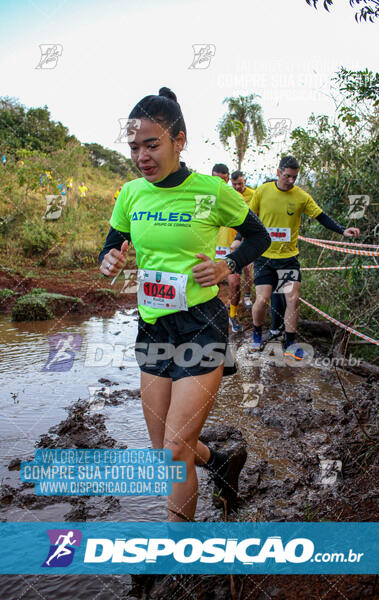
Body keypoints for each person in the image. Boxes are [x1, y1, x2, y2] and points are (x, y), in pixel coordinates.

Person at [99, 87, 270, 521]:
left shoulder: (211, 191)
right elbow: (114, 238)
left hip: (200, 324)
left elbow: (259, 236)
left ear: (179, 140)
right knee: (166, 451)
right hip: (154, 325)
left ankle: (179, 561)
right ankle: (219, 462)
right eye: (135, 147)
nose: (142, 156)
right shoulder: (131, 193)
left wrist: (226, 264)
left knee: (175, 450)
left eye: (152, 145)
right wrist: (110, 256)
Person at [248, 155, 360, 357]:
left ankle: (289, 343)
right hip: (264, 257)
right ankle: (256, 333)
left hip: (288, 258)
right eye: (287, 176)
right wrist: (240, 239)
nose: (291, 181)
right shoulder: (262, 191)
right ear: (278, 172)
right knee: (263, 300)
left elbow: (321, 217)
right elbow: (249, 218)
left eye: (295, 177)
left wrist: (343, 231)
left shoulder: (301, 197)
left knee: (292, 298)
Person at [211, 164, 245, 333]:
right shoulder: (205, 197)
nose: (220, 183)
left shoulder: (236, 197)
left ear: (227, 179)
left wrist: (239, 240)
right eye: (216, 179)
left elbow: (245, 223)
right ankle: (211, 315)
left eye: (223, 180)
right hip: (211, 248)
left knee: (235, 284)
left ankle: (233, 314)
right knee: (211, 284)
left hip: (231, 249)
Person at [230, 170, 255, 312]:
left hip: (248, 236)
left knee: (247, 268)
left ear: (244, 181)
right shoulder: (230, 194)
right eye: (234, 184)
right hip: (233, 236)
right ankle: (235, 299)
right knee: (234, 269)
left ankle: (247, 296)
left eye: (240, 183)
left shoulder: (253, 195)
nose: (237, 187)